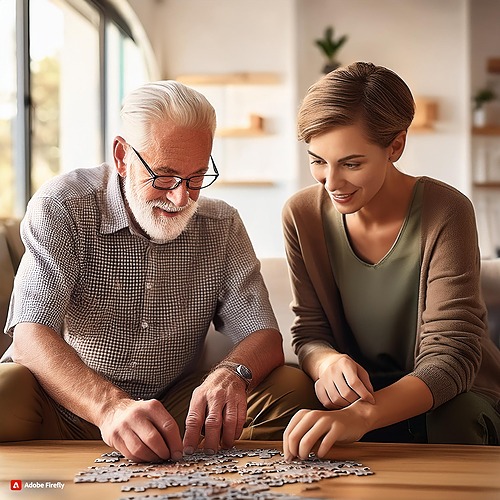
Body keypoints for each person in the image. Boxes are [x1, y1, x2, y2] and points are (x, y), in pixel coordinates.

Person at [0, 80, 320, 463]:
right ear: (122, 156)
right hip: (67, 402)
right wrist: (109, 408)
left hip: (175, 408)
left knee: (291, 387)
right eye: (164, 176)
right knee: (6, 389)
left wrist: (230, 373)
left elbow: (264, 335)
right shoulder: (63, 206)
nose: (181, 197)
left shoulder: (222, 224)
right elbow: (30, 336)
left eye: (197, 176)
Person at [281, 62, 500, 460]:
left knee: (455, 416)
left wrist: (362, 416)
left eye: (351, 163)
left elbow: (453, 355)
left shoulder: (446, 210)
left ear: (395, 146)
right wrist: (326, 361)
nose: (331, 183)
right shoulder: (301, 215)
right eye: (317, 160)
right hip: (362, 395)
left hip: (454, 396)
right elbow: (309, 332)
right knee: (291, 394)